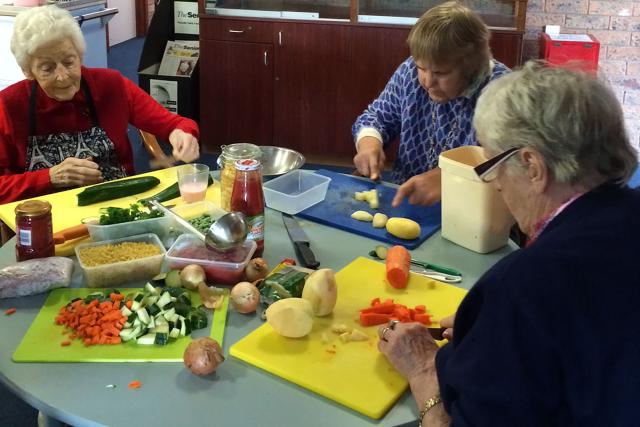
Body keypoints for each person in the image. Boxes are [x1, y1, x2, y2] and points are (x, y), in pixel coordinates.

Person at [377, 62, 640, 426]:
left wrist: (423, 371)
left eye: (492, 164)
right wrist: (493, 332)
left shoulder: (525, 285)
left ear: (533, 166)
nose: (494, 183)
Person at [0, 6, 200, 203]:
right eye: (47, 68)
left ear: (80, 56)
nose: (62, 76)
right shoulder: (9, 105)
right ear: (28, 71)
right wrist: (49, 177)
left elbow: (175, 124)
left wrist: (181, 134)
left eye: (69, 62)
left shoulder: (110, 85)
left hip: (118, 207)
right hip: (43, 217)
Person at [352, 1, 509, 207]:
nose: (427, 81)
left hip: (470, 213)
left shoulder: (503, 93)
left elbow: (508, 165)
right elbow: (376, 117)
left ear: (472, 66)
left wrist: (451, 178)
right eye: (421, 68)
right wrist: (369, 143)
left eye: (441, 73)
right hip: (405, 200)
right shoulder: (410, 71)